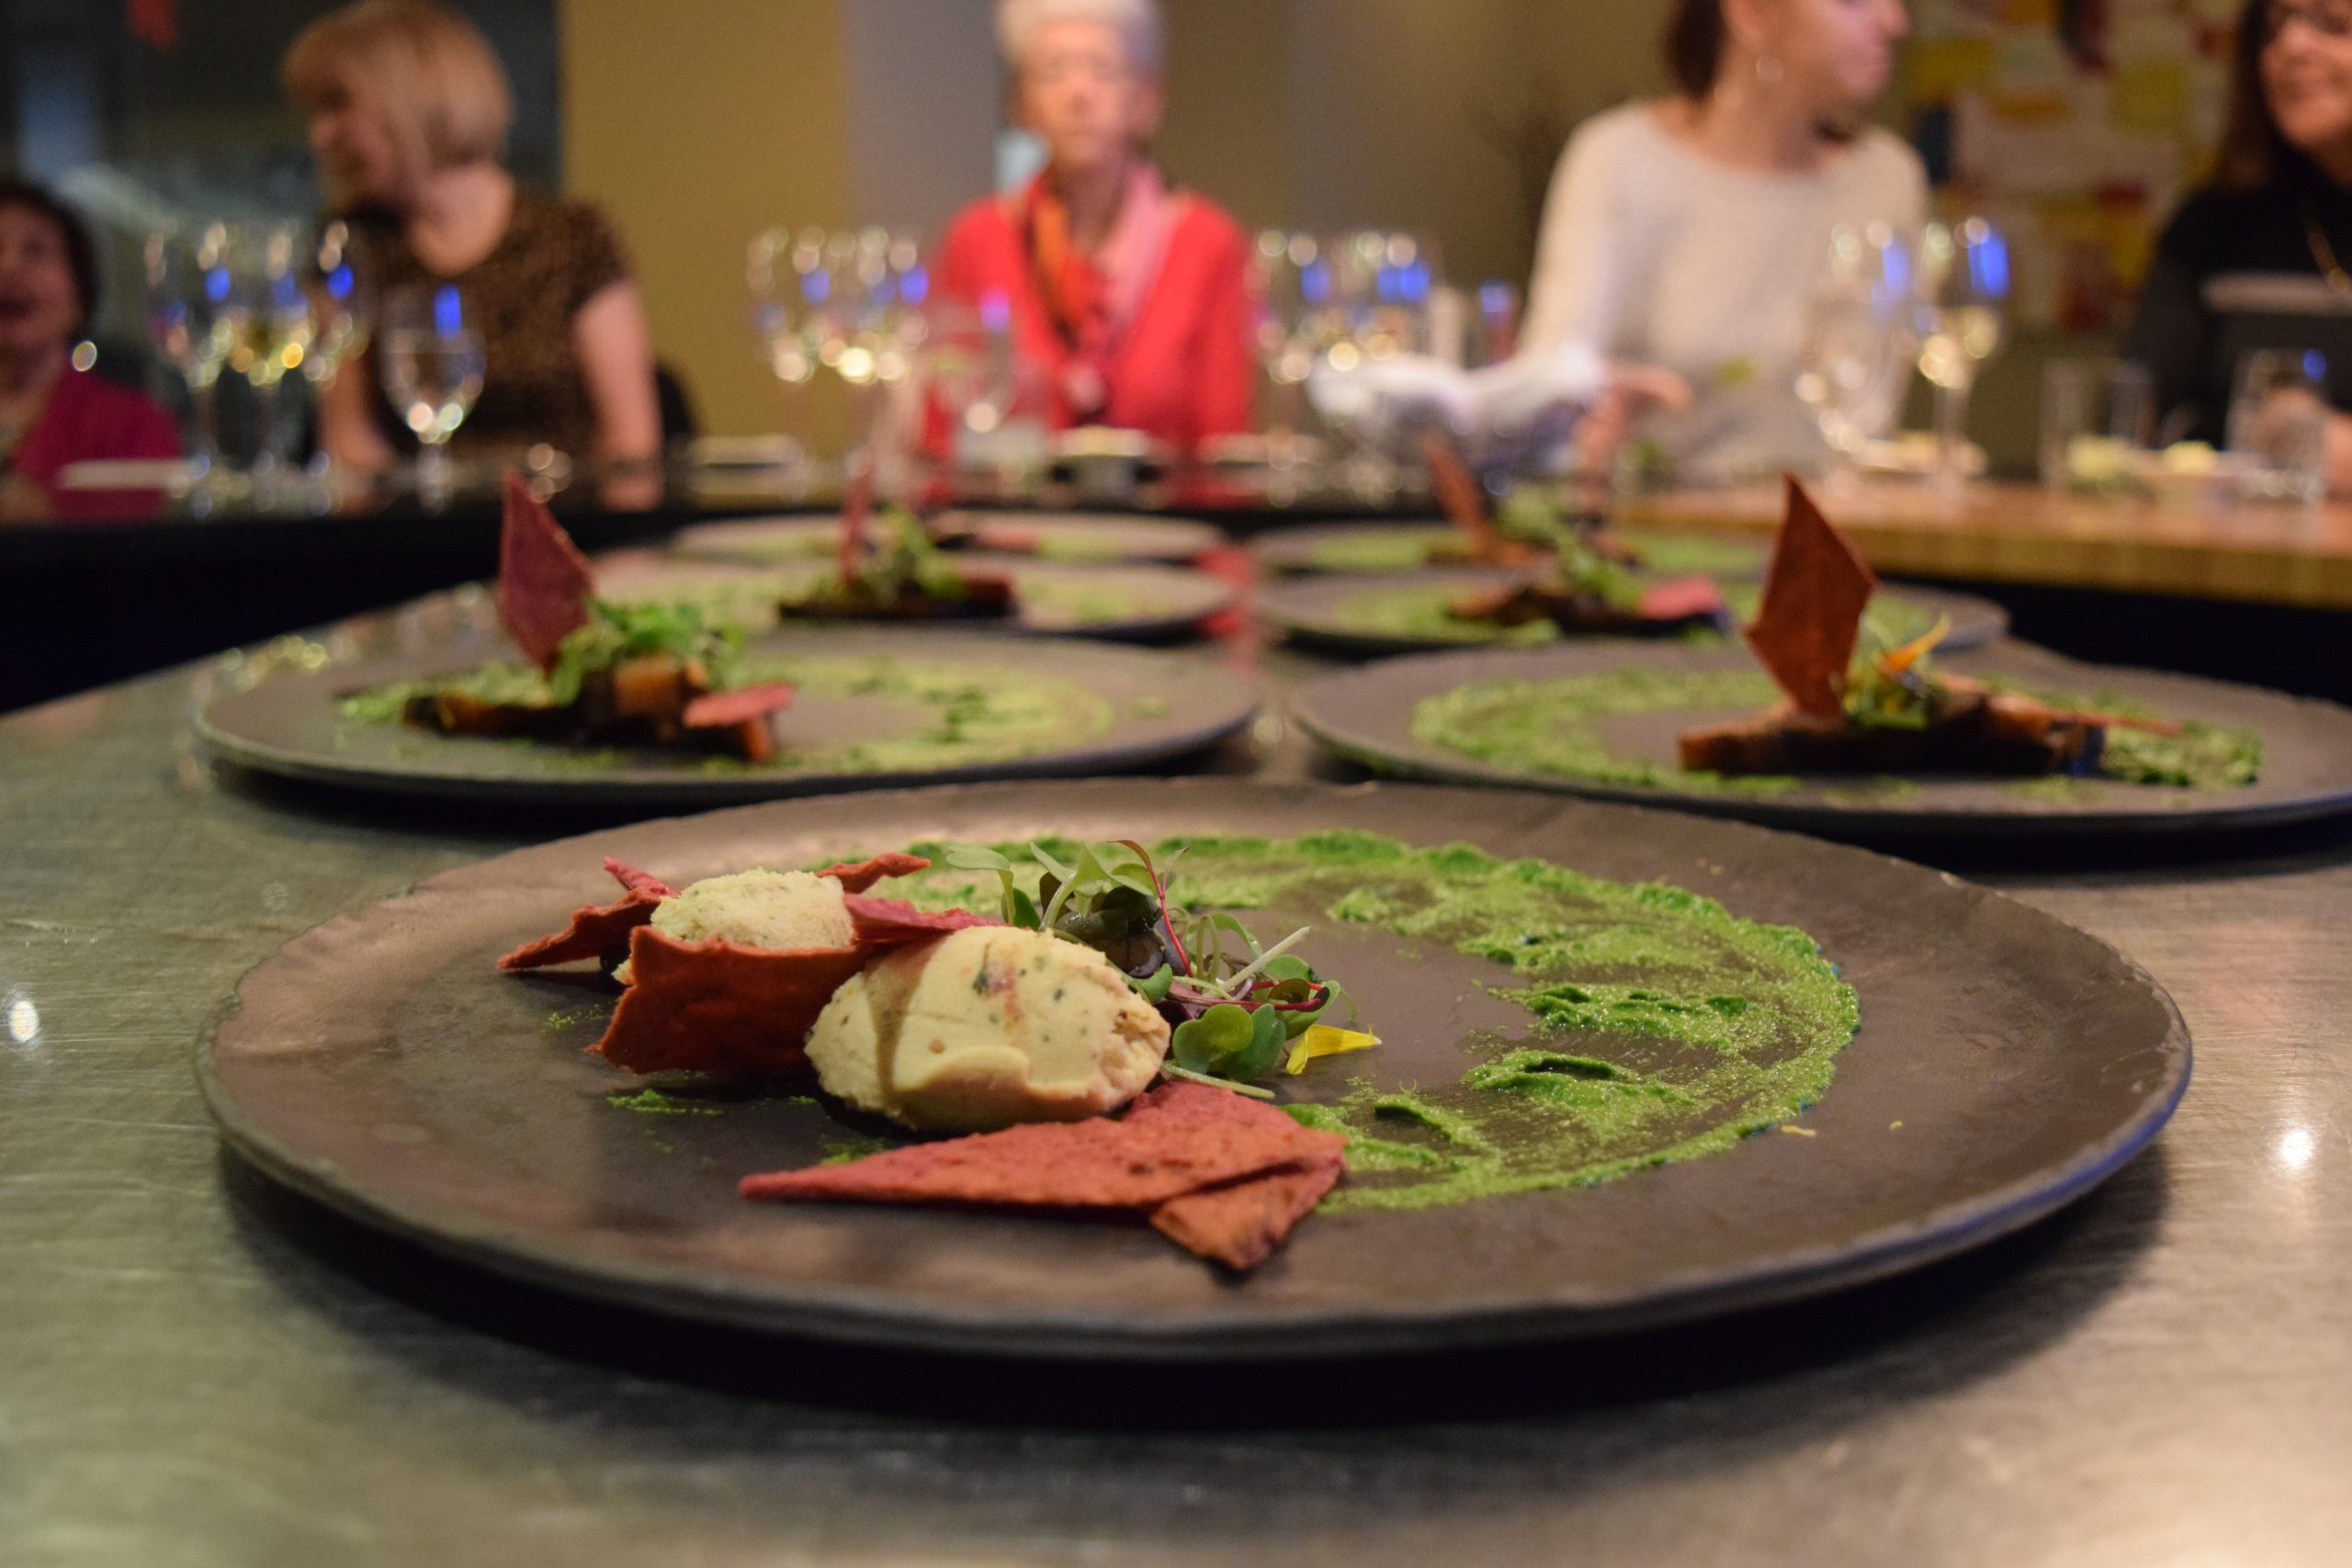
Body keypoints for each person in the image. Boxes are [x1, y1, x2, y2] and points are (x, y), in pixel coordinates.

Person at [1521, 0, 1925, 484]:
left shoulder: (1887, 179)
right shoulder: (1618, 161)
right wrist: (1584, 415)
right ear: (1752, 12)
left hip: (1833, 532)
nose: (1893, 20)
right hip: (1662, 537)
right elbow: (1544, 396)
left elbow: (1868, 421)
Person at [283, 0, 662, 505]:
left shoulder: (571, 236)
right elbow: (349, 444)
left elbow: (630, 446)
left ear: (414, 97)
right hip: (412, 541)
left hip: (566, 533)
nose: (321, 134)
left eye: (338, 105)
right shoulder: (350, 243)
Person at [933, 0, 1255, 457]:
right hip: (1017, 520)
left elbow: (1227, 447)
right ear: (1020, 103)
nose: (1078, 94)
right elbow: (941, 435)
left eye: (1102, 70)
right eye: (1053, 71)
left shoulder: (1209, 242)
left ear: (1146, 100)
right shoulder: (977, 238)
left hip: (1169, 523)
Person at [2126, 0, 2352, 489]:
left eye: (2332, 23)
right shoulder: (2213, 226)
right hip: (2238, 553)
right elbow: (2135, 423)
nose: (2291, 47)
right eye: (2272, 27)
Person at [0, 180, 182, 522]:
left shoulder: (133, 425)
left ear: (79, 296)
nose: (9, 267)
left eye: (35, 251)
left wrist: (45, 508)